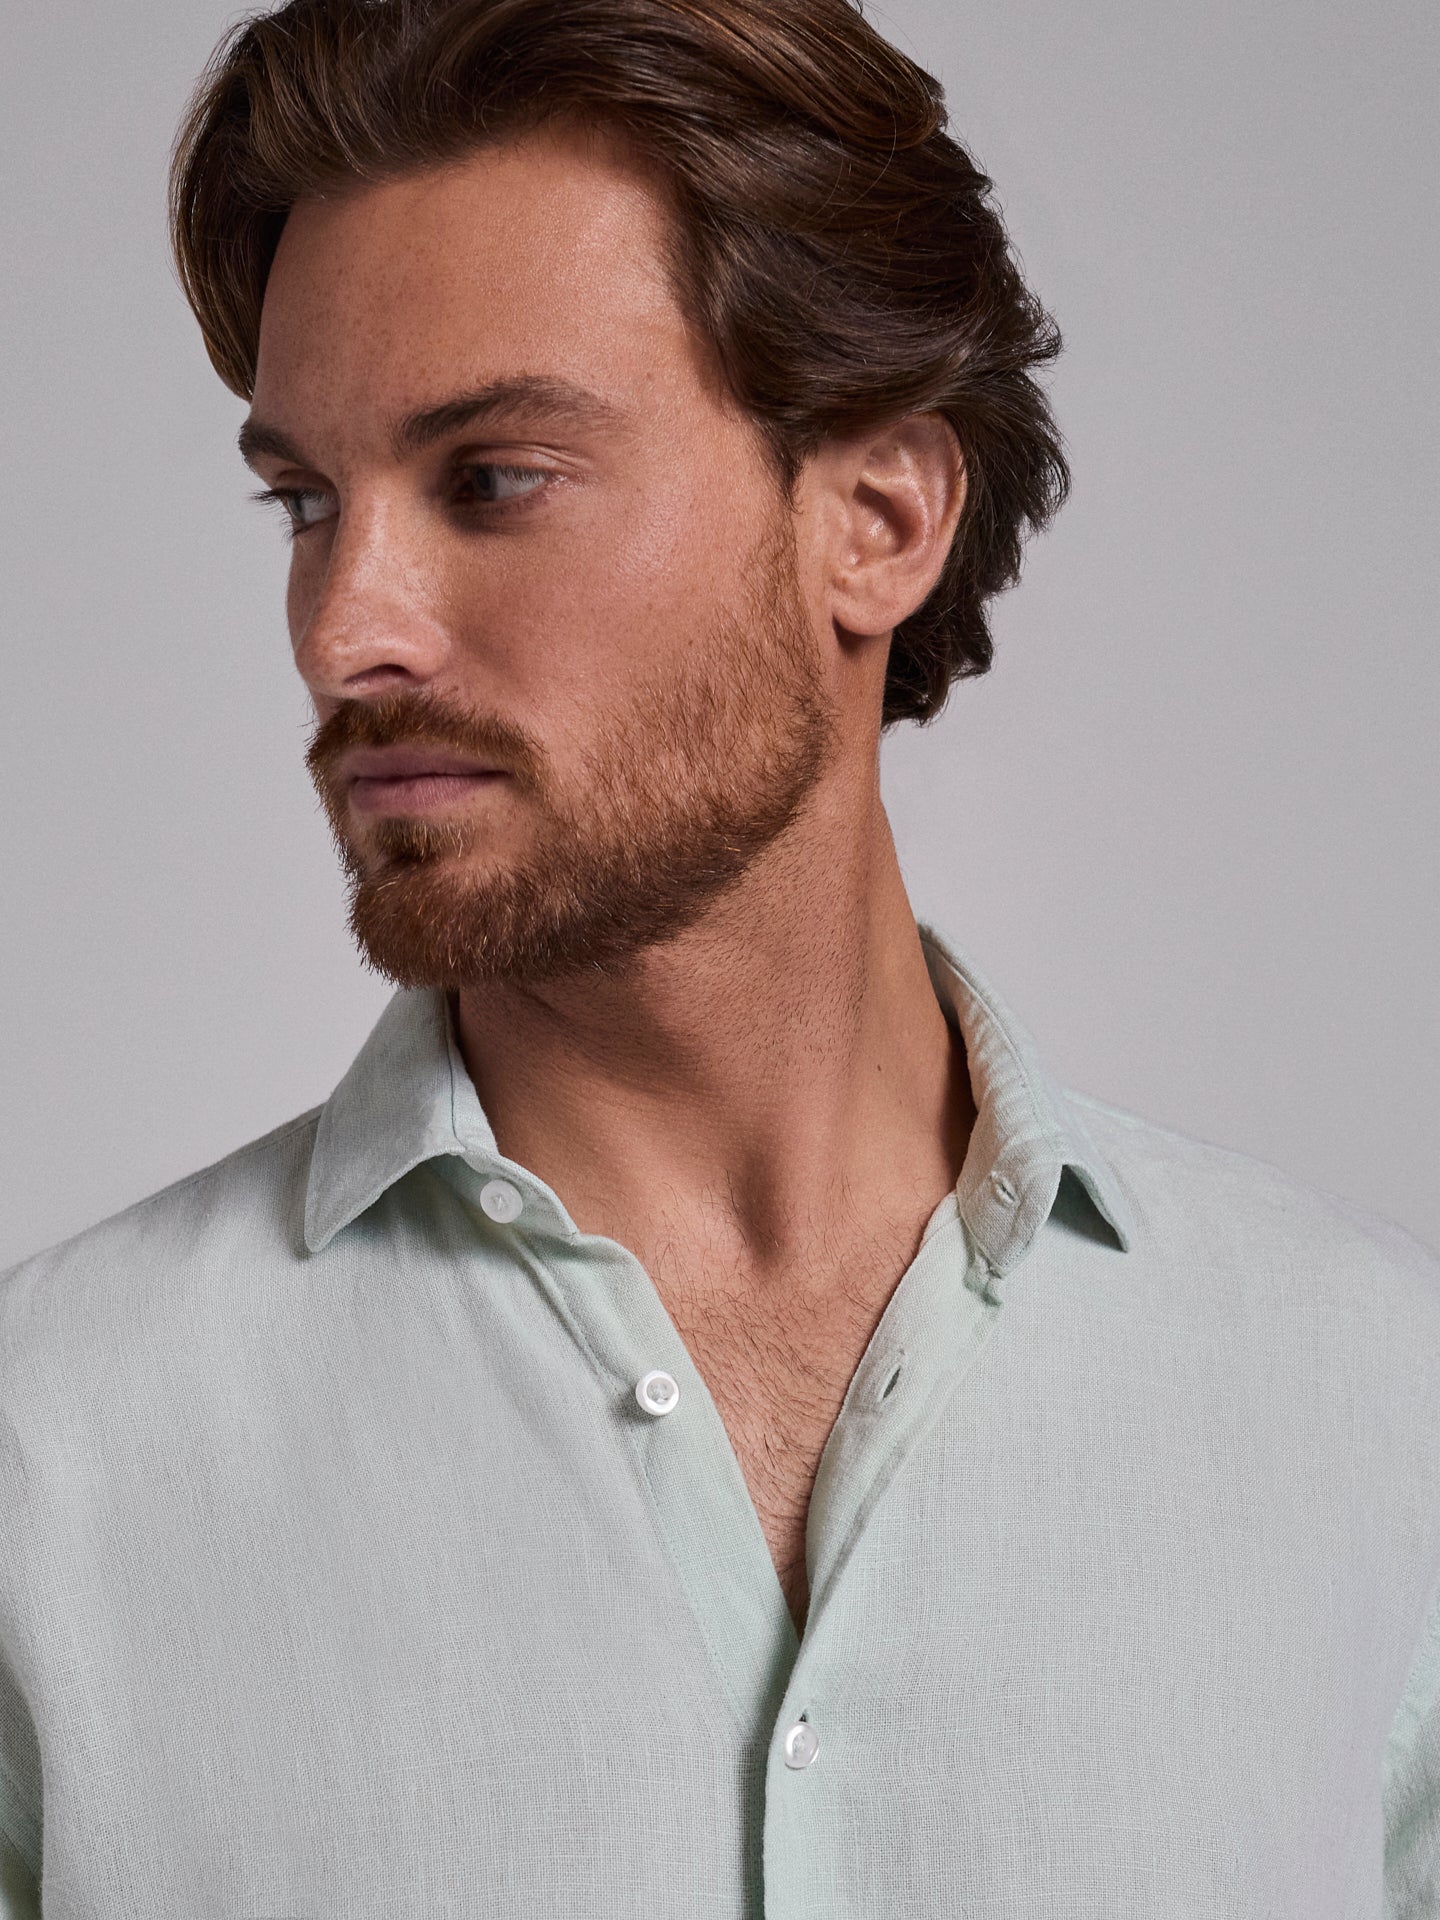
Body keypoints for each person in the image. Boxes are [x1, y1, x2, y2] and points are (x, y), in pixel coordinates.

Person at [2, 0, 1437, 1911]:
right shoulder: (50, 1465)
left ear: (878, 519)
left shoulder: (1378, 1413)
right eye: (307, 502)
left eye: (493, 478)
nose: (345, 628)